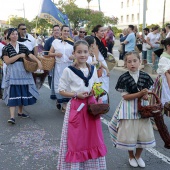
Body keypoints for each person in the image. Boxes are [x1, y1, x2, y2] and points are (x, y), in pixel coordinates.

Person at [57, 40, 107, 170]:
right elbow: (61, 90)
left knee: (92, 138)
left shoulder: (93, 69)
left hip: (91, 107)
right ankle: (76, 167)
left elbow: (97, 85)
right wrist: (75, 94)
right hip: (77, 107)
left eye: (85, 52)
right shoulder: (68, 70)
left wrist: (97, 93)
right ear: (73, 53)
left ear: (89, 53)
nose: (82, 55)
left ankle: (91, 167)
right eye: (79, 52)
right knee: (77, 140)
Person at [108, 51, 155, 168]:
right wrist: (140, 93)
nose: (132, 64)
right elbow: (125, 96)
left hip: (143, 110)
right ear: (125, 64)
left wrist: (145, 95)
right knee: (130, 135)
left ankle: (138, 156)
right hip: (128, 109)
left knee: (142, 134)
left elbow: (149, 92)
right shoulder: (124, 78)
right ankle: (131, 156)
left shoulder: (145, 76)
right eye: (129, 61)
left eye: (135, 61)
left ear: (140, 62)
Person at [1, 28, 42, 124]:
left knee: (22, 91)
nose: (15, 36)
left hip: (23, 72)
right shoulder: (6, 48)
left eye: (16, 34)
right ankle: (12, 117)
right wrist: (19, 56)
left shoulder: (22, 46)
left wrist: (38, 61)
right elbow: (7, 61)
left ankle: (20, 112)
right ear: (9, 36)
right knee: (13, 92)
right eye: (13, 34)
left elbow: (30, 55)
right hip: (13, 73)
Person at [49, 25, 74, 112]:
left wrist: (73, 56)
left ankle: (65, 104)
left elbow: (76, 54)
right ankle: (59, 100)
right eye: (64, 31)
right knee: (59, 84)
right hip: (59, 66)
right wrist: (56, 54)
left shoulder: (72, 43)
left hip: (69, 66)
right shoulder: (56, 42)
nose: (66, 32)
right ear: (61, 32)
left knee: (67, 84)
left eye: (68, 31)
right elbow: (49, 53)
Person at [152, 37, 170, 118]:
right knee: (161, 102)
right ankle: (157, 121)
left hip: (167, 82)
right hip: (164, 83)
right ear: (168, 46)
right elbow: (167, 75)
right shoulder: (164, 58)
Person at [93, 25, 109, 103]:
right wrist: (105, 68)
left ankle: (101, 104)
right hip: (100, 67)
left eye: (104, 31)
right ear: (96, 32)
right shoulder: (95, 42)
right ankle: (99, 104)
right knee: (99, 85)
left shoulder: (100, 41)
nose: (103, 33)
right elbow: (96, 59)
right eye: (101, 31)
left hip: (102, 65)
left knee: (102, 85)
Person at [44, 25, 61, 99]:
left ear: (60, 31)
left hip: (62, 63)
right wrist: (54, 55)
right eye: (55, 30)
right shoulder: (49, 41)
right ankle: (54, 92)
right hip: (52, 63)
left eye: (58, 30)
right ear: (53, 31)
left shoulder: (64, 39)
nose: (56, 31)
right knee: (52, 78)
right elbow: (46, 53)